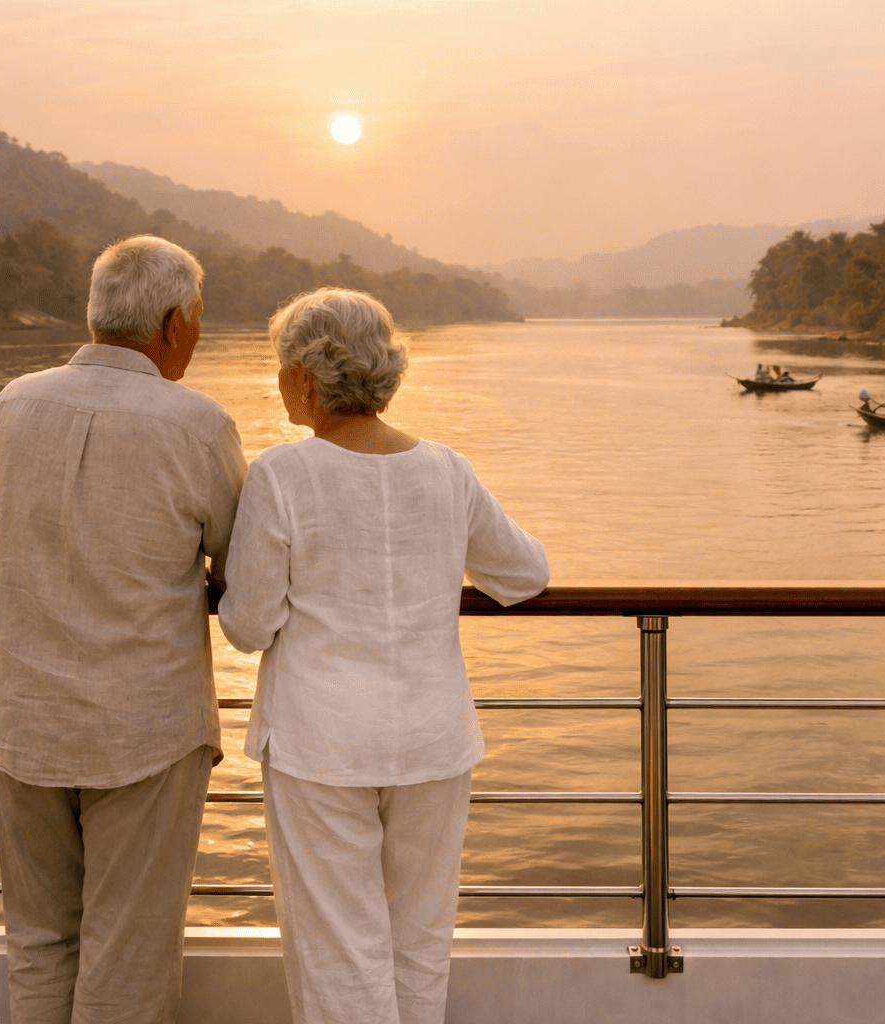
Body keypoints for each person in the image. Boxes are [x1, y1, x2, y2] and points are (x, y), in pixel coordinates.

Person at [217, 287, 549, 1024]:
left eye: (282, 367)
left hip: (321, 745)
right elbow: (524, 575)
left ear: (306, 376)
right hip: (432, 738)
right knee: (419, 942)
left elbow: (245, 625)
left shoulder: (283, 475)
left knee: (340, 950)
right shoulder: (446, 470)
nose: (279, 381)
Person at [0, 235, 247, 1024]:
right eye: (201, 318)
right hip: (145, 732)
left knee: (39, 942)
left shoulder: (13, 403)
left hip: (26, 720)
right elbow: (240, 568)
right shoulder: (199, 425)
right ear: (173, 323)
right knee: (130, 953)